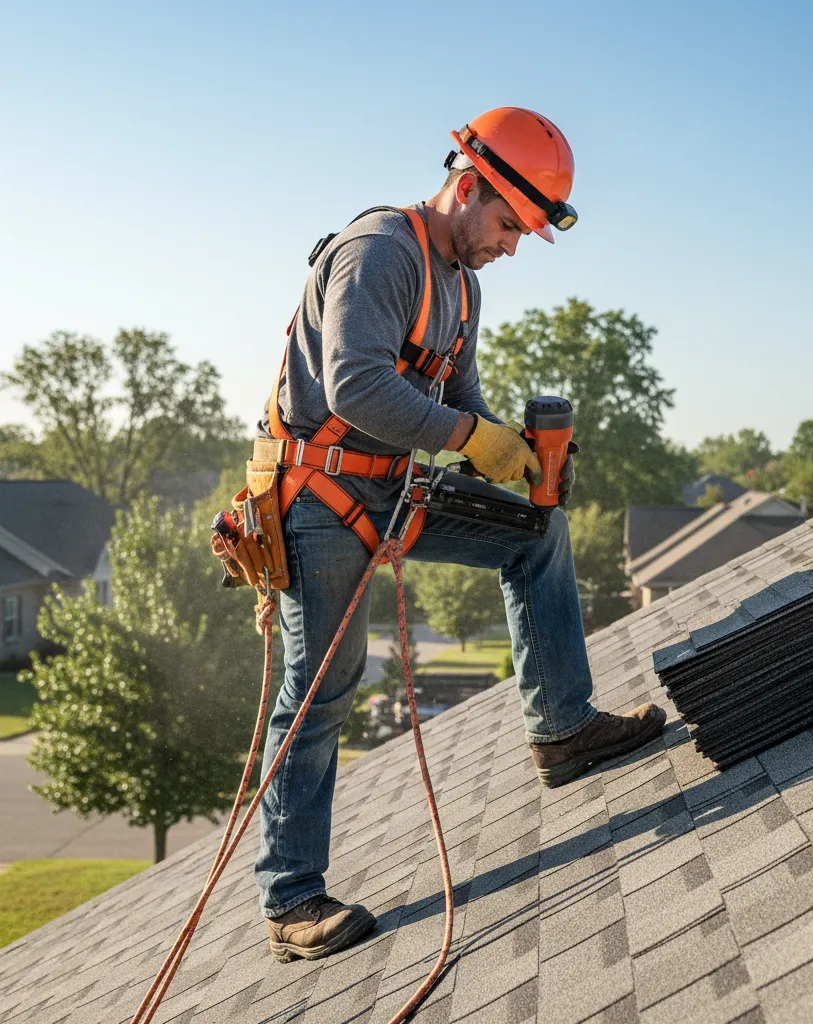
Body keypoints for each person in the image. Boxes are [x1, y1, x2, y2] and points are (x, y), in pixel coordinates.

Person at [253, 107, 666, 963]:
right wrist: (470, 440)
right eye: (509, 224)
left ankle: (561, 727)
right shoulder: (380, 254)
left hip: (397, 486)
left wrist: (511, 457)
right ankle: (291, 901)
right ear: (468, 185)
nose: (512, 246)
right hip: (319, 497)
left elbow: (459, 402)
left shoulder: (463, 288)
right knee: (324, 686)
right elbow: (357, 388)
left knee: (534, 534)